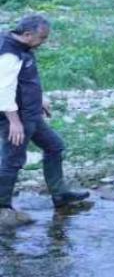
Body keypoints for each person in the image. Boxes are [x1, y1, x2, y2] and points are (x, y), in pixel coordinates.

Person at [0, 15, 89, 218]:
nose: (44, 42)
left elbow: (23, 80)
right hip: (16, 117)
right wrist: (14, 122)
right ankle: (2, 207)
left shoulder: (23, 48)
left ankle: (60, 195)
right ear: (28, 34)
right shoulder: (9, 53)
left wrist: (39, 98)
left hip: (31, 113)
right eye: (42, 38)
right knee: (12, 160)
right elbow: (3, 89)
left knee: (54, 146)